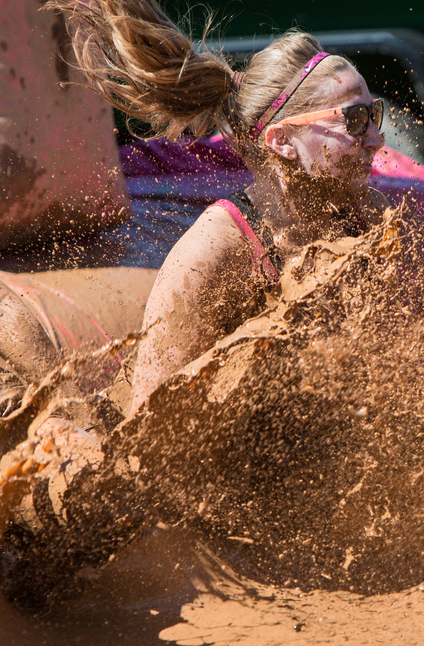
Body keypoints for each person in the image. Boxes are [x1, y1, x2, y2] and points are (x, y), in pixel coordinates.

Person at [1, 0, 393, 607]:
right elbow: (150, 438)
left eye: (377, 113)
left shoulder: (359, 218)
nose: (379, 137)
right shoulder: (218, 252)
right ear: (284, 143)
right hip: (165, 490)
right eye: (357, 118)